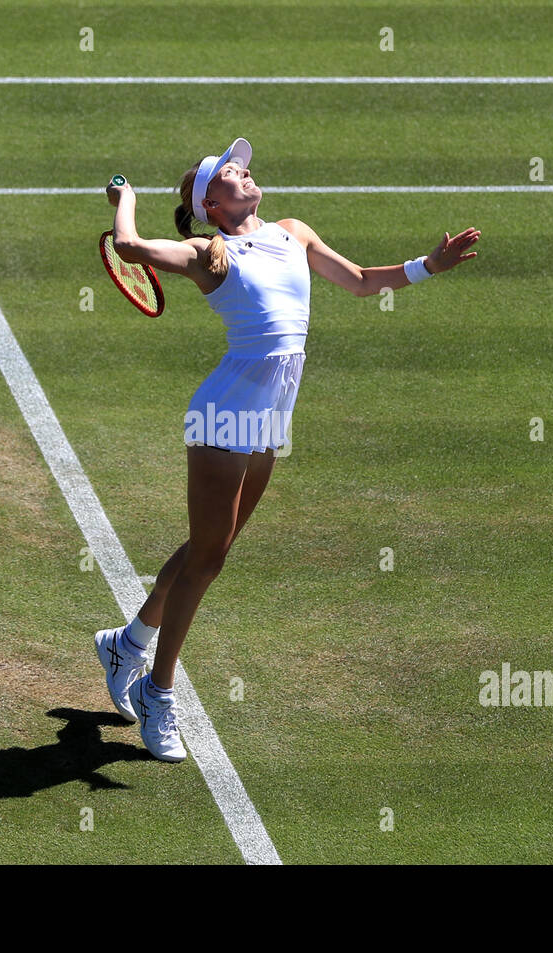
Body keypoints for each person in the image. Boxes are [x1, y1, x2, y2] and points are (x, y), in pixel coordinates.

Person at [96, 137, 480, 761]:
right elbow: (131, 247)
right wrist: (126, 200)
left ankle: (128, 643)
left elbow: (357, 282)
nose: (241, 169)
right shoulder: (208, 253)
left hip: (272, 415)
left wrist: (427, 266)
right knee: (209, 559)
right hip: (226, 415)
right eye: (227, 172)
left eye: (240, 165)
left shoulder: (293, 232)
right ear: (212, 204)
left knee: (208, 549)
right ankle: (157, 696)